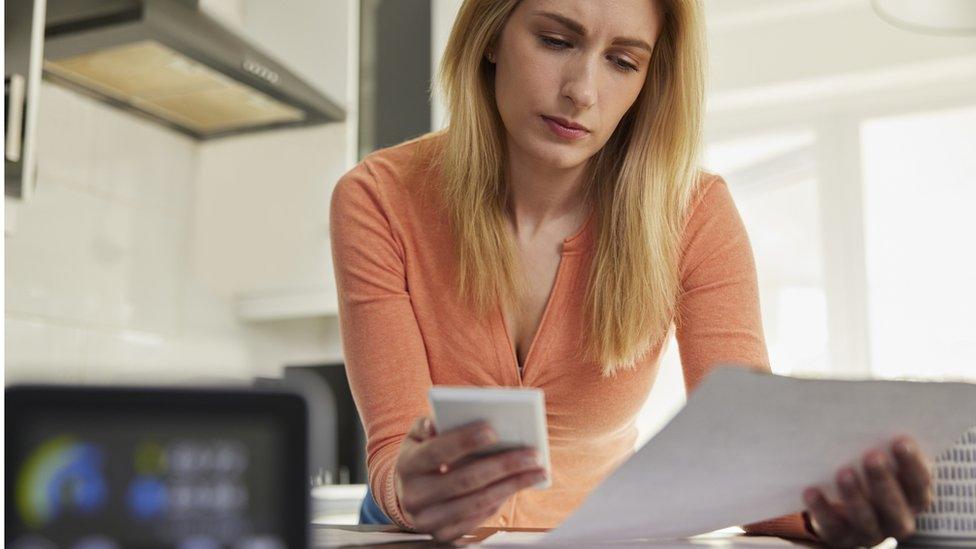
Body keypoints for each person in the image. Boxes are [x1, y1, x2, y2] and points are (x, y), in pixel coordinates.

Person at [330, 0, 933, 545]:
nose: (582, 92)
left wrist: (830, 512)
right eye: (556, 42)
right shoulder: (379, 199)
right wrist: (411, 492)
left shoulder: (693, 213)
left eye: (622, 61)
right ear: (491, 35)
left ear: (650, 78)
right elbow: (392, 456)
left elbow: (748, 469)